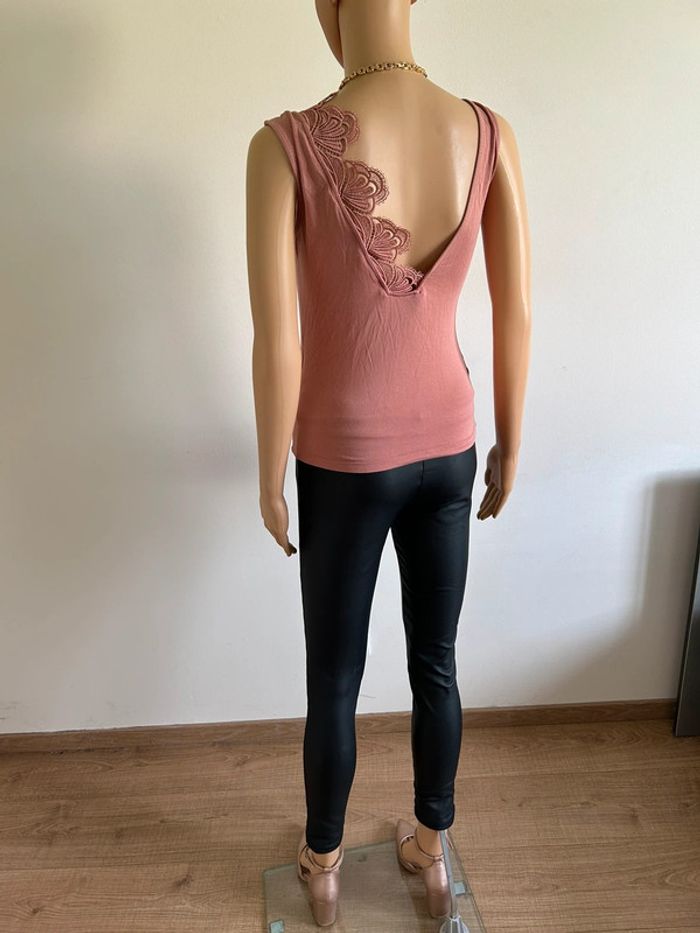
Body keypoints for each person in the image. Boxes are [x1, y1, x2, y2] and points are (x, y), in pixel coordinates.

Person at [247, 0, 531, 925]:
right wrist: (510, 440)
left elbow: (276, 339)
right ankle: (432, 851)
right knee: (436, 662)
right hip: (452, 445)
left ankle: (324, 862)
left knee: (334, 675)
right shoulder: (486, 132)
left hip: (343, 454)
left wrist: (269, 472)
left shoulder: (283, 146)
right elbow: (517, 312)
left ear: (328, 9)